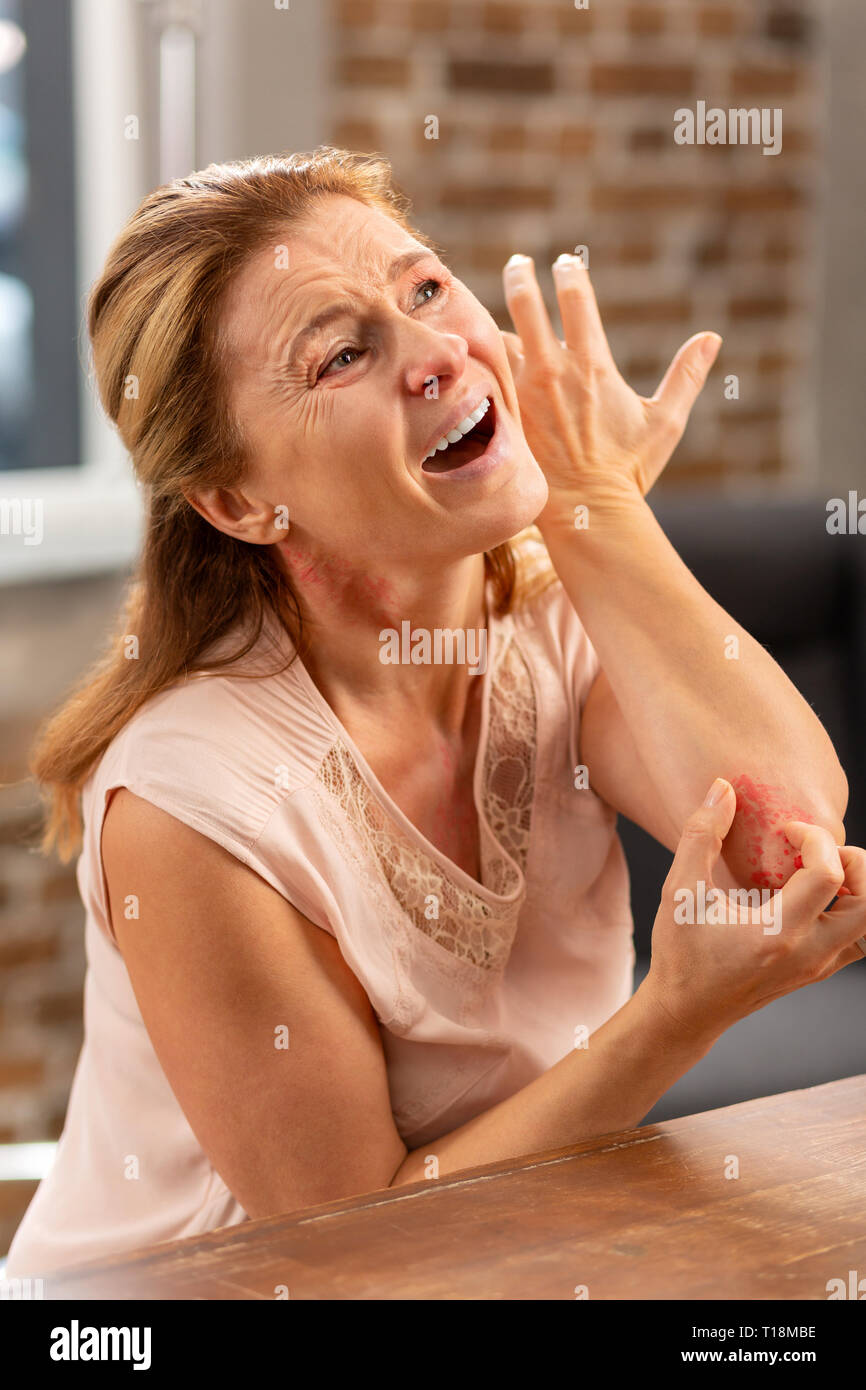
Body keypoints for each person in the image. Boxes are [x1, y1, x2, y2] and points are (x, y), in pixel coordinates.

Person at [6, 148, 865, 1278]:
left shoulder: (548, 618)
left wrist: (594, 508)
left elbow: (786, 849)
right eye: (341, 354)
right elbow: (351, 1245)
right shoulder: (189, 802)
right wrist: (669, 1017)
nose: (433, 354)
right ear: (236, 500)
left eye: (422, 290)